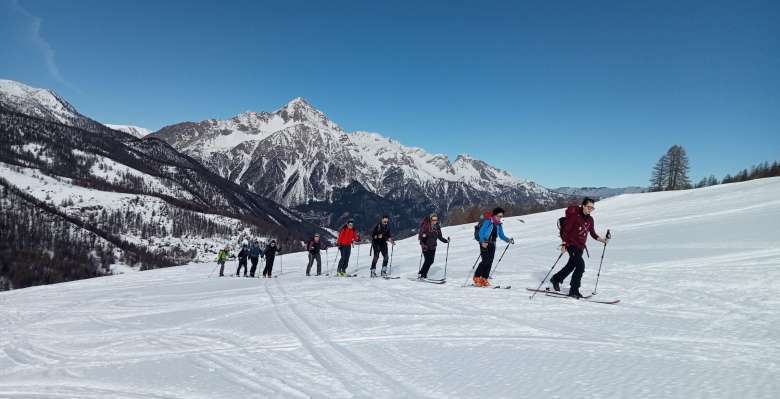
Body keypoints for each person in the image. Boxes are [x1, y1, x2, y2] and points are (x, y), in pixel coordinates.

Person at [550, 198, 609, 298]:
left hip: (581, 247)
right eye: (589, 207)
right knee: (580, 266)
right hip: (571, 244)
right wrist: (564, 244)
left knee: (571, 266)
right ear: (583, 206)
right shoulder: (575, 217)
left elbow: (593, 234)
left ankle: (556, 279)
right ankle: (574, 290)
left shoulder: (590, 219)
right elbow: (565, 232)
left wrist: (602, 240)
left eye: (592, 208)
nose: (590, 209)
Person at [473, 207, 514, 287]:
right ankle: (477, 277)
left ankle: (484, 278)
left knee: (490, 261)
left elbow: (501, 235)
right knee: (485, 260)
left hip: (492, 244)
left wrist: (507, 240)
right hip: (484, 243)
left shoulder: (499, 225)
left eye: (501, 216)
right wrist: (482, 242)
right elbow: (481, 232)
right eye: (499, 216)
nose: (500, 218)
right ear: (494, 215)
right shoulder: (488, 221)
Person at [417, 213, 449, 279]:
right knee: (428, 260)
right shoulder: (425, 226)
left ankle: (421, 272)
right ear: (430, 219)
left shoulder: (437, 227)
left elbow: (440, 237)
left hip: (433, 246)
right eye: (433, 219)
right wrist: (423, 237)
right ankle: (423, 275)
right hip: (425, 246)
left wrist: (446, 241)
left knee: (431, 261)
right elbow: (420, 236)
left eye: (436, 219)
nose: (435, 221)